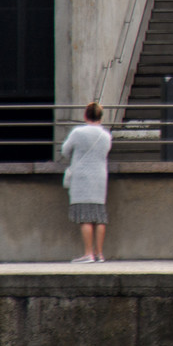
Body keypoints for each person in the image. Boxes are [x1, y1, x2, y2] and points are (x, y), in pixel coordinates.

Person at [61, 102, 112, 262]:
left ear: (85, 115)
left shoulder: (78, 132)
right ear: (100, 116)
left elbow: (65, 151)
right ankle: (100, 254)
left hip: (82, 177)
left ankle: (88, 253)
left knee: (85, 216)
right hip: (100, 176)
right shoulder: (106, 135)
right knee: (99, 215)